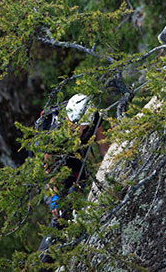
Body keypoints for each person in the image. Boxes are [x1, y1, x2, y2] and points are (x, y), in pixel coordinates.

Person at [37, 94, 108, 262]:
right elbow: (48, 170)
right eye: (75, 126)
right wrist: (55, 197)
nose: (79, 131)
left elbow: (104, 149)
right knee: (59, 216)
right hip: (54, 169)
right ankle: (44, 262)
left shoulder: (94, 118)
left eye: (82, 127)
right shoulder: (54, 131)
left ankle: (72, 248)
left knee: (75, 205)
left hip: (76, 163)